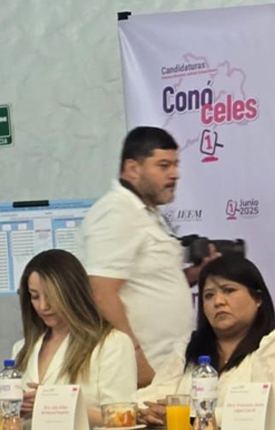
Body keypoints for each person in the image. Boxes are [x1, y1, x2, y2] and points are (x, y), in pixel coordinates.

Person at [83, 127, 214, 389]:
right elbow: (100, 292)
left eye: (175, 165)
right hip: (140, 374)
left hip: (166, 367)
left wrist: (193, 275)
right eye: (163, 165)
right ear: (132, 168)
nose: (175, 174)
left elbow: (147, 281)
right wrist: (138, 363)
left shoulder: (148, 213)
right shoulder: (117, 212)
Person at [138, 254, 275, 427]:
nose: (218, 301)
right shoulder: (189, 348)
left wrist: (186, 417)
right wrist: (148, 413)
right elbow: (149, 400)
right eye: (209, 295)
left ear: (258, 299)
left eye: (229, 290)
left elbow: (272, 414)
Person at [12, 250, 137, 429]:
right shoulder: (22, 349)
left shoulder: (112, 344)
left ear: (73, 294)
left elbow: (123, 419)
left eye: (51, 296)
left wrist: (55, 405)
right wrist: (14, 410)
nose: (43, 306)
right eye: (35, 296)